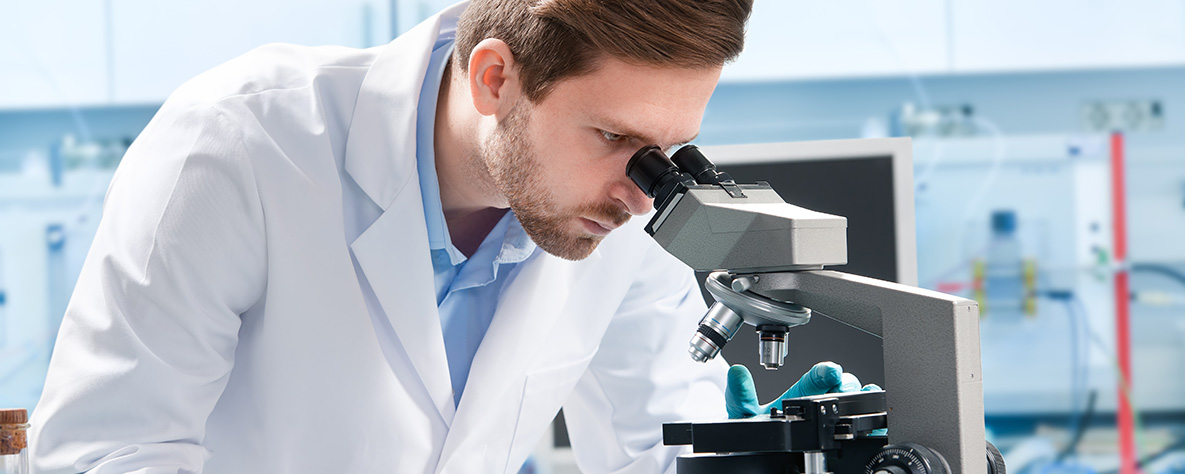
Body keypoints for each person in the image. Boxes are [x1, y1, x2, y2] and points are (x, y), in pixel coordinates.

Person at [30, 1, 871, 472]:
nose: (637, 191)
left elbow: (653, 444)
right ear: (495, 78)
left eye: (666, 151)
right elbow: (106, 453)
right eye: (613, 139)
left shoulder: (611, 211)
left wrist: (751, 460)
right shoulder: (242, 145)